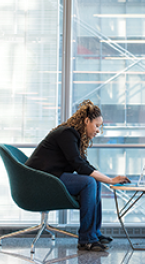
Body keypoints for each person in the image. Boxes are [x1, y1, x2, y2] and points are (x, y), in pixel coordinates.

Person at [25, 100, 130, 251]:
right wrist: (109, 180)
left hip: (51, 177)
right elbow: (79, 166)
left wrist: (106, 179)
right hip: (40, 180)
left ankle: (94, 233)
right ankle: (87, 239)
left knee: (94, 181)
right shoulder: (67, 133)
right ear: (87, 121)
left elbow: (83, 164)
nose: (98, 130)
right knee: (89, 182)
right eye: (97, 125)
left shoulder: (73, 135)